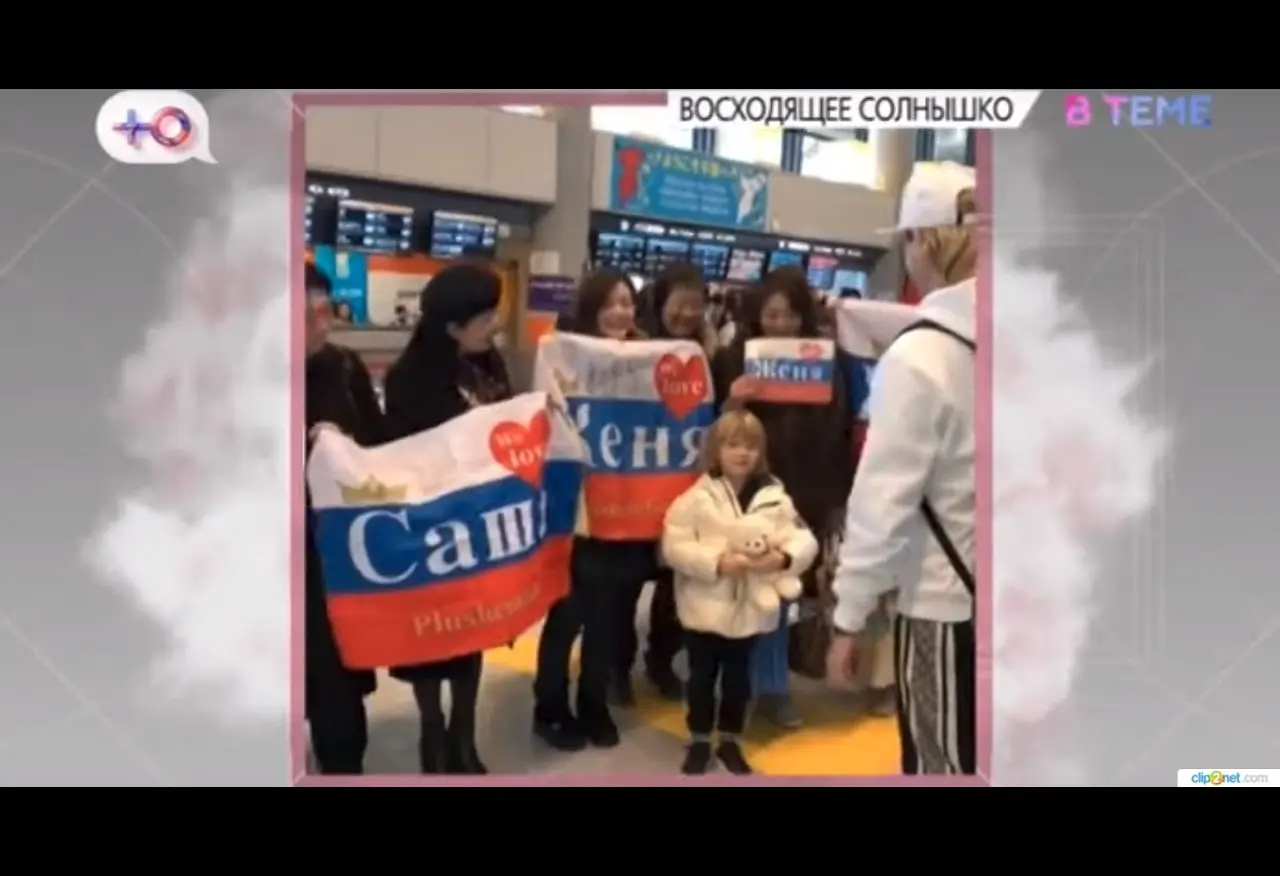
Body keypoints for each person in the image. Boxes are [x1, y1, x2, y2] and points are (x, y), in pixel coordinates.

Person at [826, 161, 978, 775]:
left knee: (945, 761)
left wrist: (849, 617)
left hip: (949, 605)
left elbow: (881, 503)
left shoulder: (920, 357)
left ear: (923, 240)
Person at [711, 268, 855, 729]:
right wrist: (733, 402)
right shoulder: (734, 359)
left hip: (805, 496)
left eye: (790, 315)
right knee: (740, 590)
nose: (780, 325)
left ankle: (772, 689)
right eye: (771, 315)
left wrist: (835, 500)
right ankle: (736, 683)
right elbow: (712, 431)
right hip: (746, 496)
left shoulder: (830, 363)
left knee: (782, 594)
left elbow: (842, 430)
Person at [381, 263, 510, 774]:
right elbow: (396, 455)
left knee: (473, 631)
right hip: (431, 530)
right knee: (431, 638)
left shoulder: (489, 365)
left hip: (480, 524)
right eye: (486, 318)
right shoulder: (408, 379)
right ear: (453, 327)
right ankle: (432, 731)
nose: (497, 324)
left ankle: (464, 730)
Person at [661, 409, 819, 774]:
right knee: (701, 678)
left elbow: (803, 538)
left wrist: (784, 558)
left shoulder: (776, 498)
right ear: (716, 449)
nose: (742, 453)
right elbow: (674, 546)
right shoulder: (696, 498)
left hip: (750, 610)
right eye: (733, 445)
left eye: (750, 446)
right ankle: (700, 739)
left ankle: (730, 739)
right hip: (704, 608)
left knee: (738, 681)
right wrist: (715, 563)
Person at [532, 270, 649, 751]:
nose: (621, 312)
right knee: (568, 614)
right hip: (578, 511)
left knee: (608, 618)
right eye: (611, 303)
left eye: (628, 302)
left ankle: (594, 702)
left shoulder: (648, 359)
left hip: (626, 511)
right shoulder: (562, 354)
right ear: (591, 308)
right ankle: (550, 704)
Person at [611, 263, 717, 705]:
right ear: (660, 302)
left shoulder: (706, 352)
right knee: (627, 583)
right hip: (636, 487)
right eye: (680, 304)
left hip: (684, 487)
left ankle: (661, 661)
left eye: (696, 305)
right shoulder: (632, 348)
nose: (688, 314)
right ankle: (617, 668)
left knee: (676, 584)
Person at [304, 263, 385, 774]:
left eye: (326, 310)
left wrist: (347, 447)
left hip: (334, 553)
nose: (324, 324)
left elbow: (379, 441)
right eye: (308, 315)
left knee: (336, 685)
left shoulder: (344, 367)